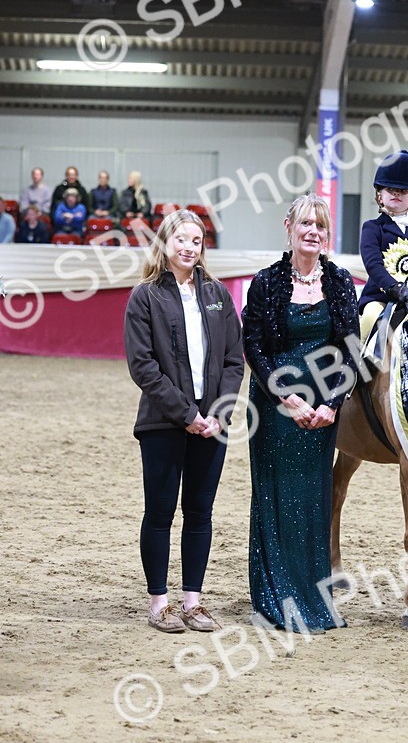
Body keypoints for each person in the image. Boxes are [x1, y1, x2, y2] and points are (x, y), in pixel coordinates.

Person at [243, 194, 360, 633]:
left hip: (323, 411)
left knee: (313, 501)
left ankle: (313, 598)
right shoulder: (266, 281)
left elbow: (351, 349)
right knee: (276, 498)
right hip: (275, 409)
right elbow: (253, 346)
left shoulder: (341, 281)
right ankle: (274, 598)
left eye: (321, 225)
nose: (313, 231)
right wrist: (287, 400)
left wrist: (331, 404)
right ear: (288, 226)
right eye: (306, 223)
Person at [124, 209, 244, 634]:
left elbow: (234, 360)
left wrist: (216, 414)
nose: (189, 247)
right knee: (159, 513)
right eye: (181, 240)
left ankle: (193, 601)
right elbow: (143, 366)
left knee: (200, 513)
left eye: (196, 241)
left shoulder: (217, 294)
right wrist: (187, 414)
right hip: (162, 423)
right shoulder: (145, 296)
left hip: (212, 424)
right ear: (165, 244)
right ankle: (160, 603)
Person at [356, 150, 408, 359]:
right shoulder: (372, 228)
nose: (396, 193)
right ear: (379, 195)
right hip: (381, 298)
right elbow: (373, 264)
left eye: (403, 191)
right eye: (390, 189)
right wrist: (394, 287)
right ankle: (355, 374)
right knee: (368, 319)